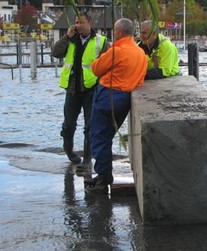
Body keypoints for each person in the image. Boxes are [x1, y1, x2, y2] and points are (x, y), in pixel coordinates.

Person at [85, 18, 147, 193]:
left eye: (114, 30)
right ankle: (103, 175)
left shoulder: (117, 51)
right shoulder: (139, 52)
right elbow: (140, 78)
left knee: (99, 138)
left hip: (107, 96)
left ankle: (104, 180)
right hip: (124, 99)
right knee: (107, 136)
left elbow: (96, 69)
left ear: (119, 32)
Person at [52, 12, 107, 172]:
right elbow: (56, 53)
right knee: (69, 124)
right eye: (75, 22)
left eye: (80, 22)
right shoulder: (70, 40)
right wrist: (66, 37)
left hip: (91, 89)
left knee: (90, 126)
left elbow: (108, 64)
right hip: (72, 89)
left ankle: (87, 158)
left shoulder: (100, 41)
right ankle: (69, 150)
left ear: (89, 23)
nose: (77, 25)